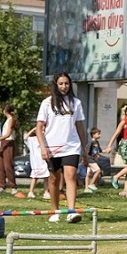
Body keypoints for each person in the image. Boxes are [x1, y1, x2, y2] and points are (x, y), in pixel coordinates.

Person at [36, 73, 87, 223]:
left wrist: (84, 148)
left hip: (71, 146)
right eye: (61, 84)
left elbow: (79, 126)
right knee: (53, 179)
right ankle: (55, 210)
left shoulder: (76, 103)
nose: (64, 86)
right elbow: (39, 127)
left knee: (70, 175)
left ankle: (71, 211)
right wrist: (43, 148)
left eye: (66, 83)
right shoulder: (47, 103)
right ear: (56, 85)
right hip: (52, 147)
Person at [104, 102, 127, 191]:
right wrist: (109, 146)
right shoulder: (124, 121)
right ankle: (116, 177)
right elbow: (116, 134)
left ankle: (126, 187)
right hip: (126, 144)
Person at [20, 125, 49, 199]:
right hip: (36, 162)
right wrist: (33, 129)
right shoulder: (32, 140)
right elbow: (25, 138)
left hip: (44, 161)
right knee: (35, 177)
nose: (42, 132)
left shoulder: (45, 139)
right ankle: (31, 192)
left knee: (46, 177)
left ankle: (46, 192)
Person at [0, 103, 19, 194]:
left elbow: (8, 134)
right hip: (3, 143)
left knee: (8, 165)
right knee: (1, 165)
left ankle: (13, 186)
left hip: (8, 142)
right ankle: (2, 185)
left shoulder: (11, 119)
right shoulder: (7, 120)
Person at [83, 126, 106, 193]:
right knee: (98, 170)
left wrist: (106, 150)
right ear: (93, 135)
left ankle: (86, 188)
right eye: (98, 134)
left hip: (93, 159)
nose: (100, 135)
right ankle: (91, 184)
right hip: (90, 159)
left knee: (89, 174)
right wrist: (85, 159)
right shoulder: (91, 142)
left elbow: (99, 150)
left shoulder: (97, 142)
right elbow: (87, 151)